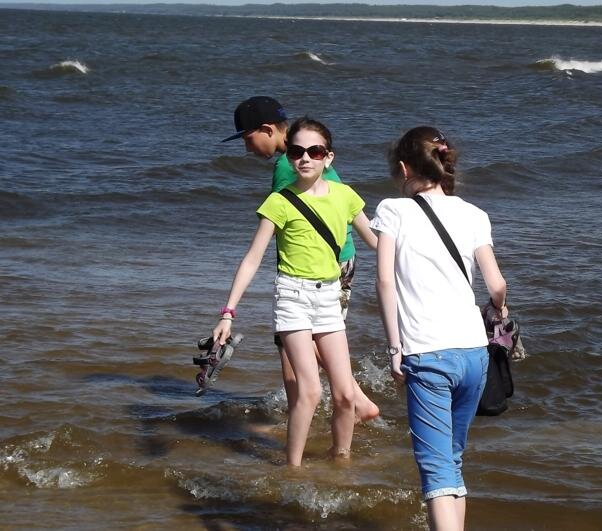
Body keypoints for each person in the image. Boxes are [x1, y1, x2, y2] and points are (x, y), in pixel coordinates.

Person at [214, 117, 377, 466]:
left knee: (346, 395)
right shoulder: (279, 201)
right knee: (311, 390)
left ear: (328, 158)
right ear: (289, 155)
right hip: (292, 297)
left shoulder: (346, 196)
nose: (304, 158)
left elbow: (379, 243)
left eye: (314, 152)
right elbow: (252, 259)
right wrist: (228, 313)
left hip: (329, 296)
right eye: (297, 151)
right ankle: (293, 469)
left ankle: (340, 462)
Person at [370, 126, 507, 530]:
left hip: (427, 352)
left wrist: (394, 348)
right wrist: (498, 310)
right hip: (474, 355)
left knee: (436, 471)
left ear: (403, 167)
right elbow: (497, 285)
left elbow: (384, 282)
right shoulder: (474, 214)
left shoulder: (393, 211)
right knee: (451, 462)